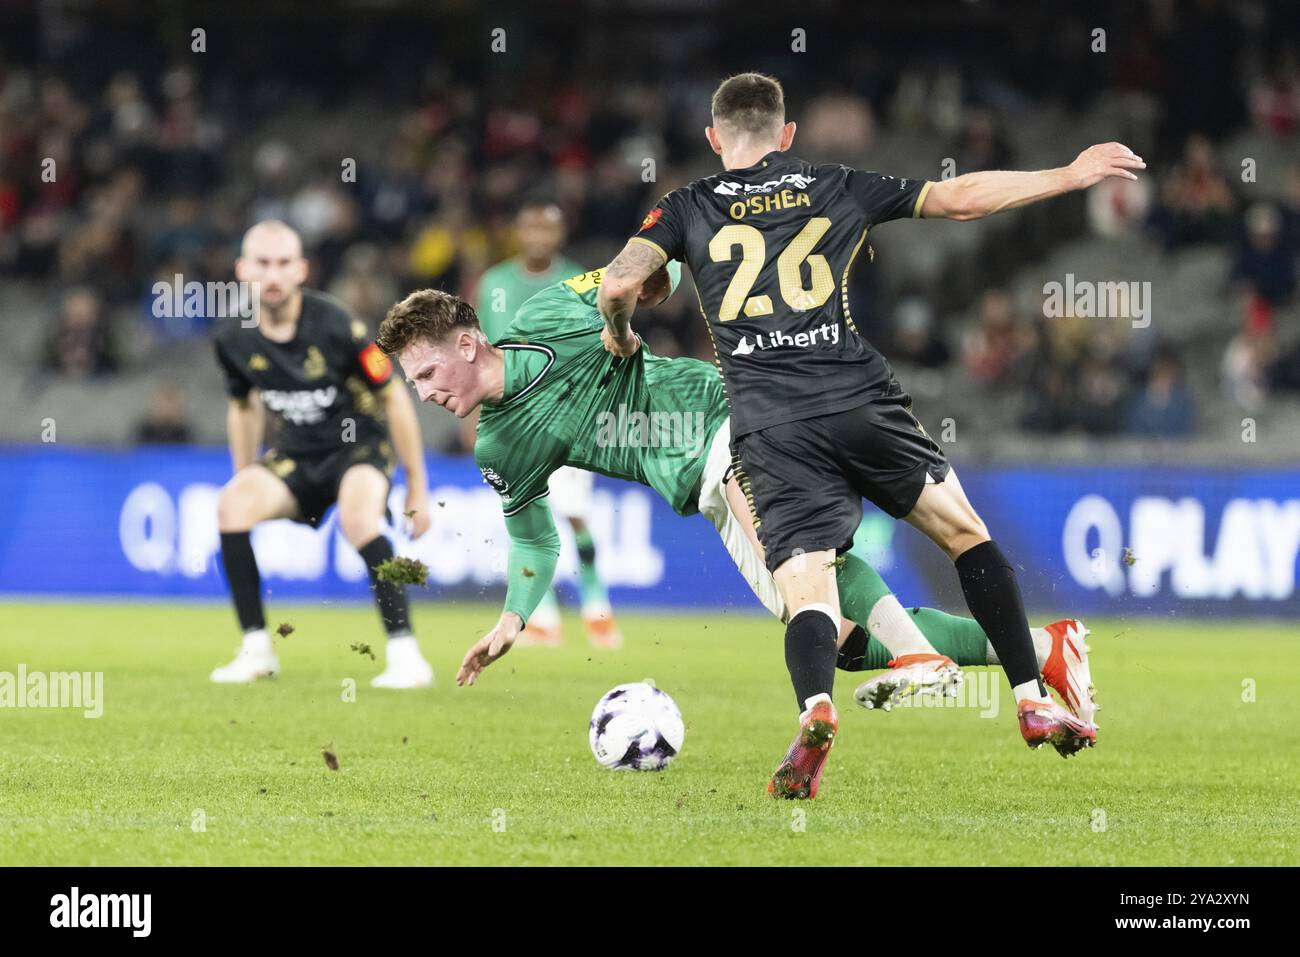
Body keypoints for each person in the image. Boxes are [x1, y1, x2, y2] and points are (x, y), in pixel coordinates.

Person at [595, 72, 1139, 797]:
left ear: (713, 137)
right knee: (963, 532)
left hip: (772, 421)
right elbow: (956, 198)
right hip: (860, 397)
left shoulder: (684, 206)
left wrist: (622, 334)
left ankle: (817, 708)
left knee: (807, 587)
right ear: (787, 135)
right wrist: (1069, 174)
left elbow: (615, 287)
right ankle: (1030, 694)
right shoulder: (834, 181)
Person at [374, 266, 1097, 729]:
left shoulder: (547, 311)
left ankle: (919, 659)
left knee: (805, 570)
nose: (427, 392)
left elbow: (642, 272)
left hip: (725, 419)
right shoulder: (500, 445)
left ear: (468, 344)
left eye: (429, 372)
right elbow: (535, 539)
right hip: (703, 485)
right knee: (835, 636)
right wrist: (510, 619)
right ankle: (1040, 648)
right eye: (415, 385)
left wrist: (641, 296)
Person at [211, 220, 434, 687]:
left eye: (283, 263)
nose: (272, 275)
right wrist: (244, 473)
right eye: (262, 264)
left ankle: (406, 655)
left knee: (359, 520)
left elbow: (394, 394)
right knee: (231, 506)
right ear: (242, 270)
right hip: (296, 451)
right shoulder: (232, 337)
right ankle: (256, 651)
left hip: (359, 446)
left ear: (301, 270)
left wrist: (417, 485)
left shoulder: (339, 324)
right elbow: (243, 406)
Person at [475, 200, 620, 649]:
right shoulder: (494, 283)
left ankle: (597, 606)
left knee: (575, 515)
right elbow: (484, 351)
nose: (538, 236)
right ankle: (543, 617)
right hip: (513, 420)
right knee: (527, 514)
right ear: (517, 231)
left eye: (547, 228)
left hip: (570, 413)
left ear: (560, 234)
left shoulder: (579, 279)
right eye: (530, 226)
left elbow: (596, 346)